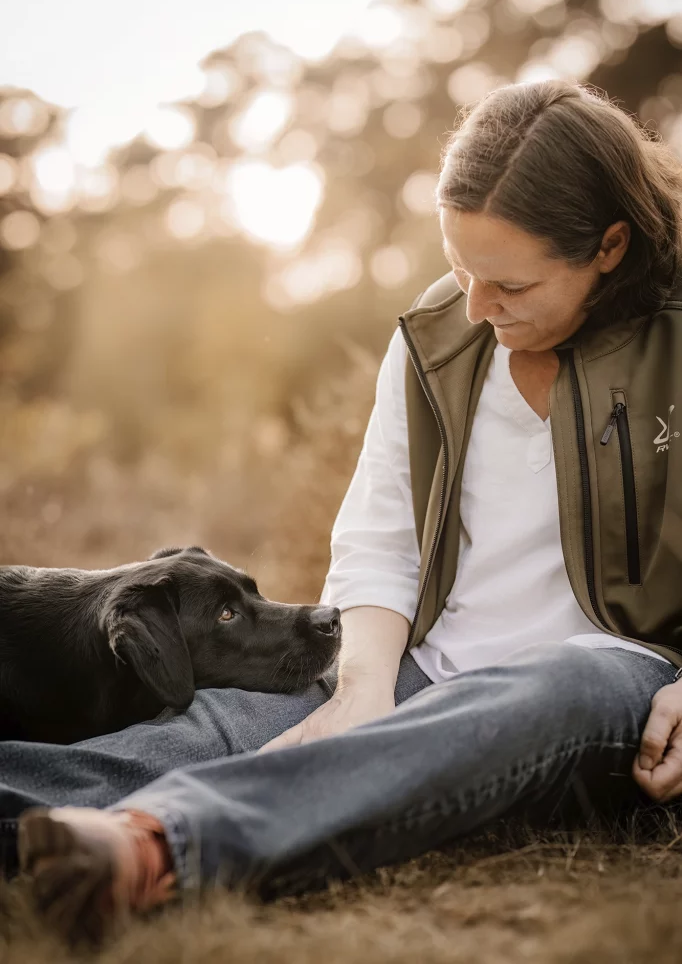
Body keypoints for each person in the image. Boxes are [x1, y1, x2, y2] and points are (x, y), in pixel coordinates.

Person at [7, 79, 682, 942]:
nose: (476, 307)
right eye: (461, 268)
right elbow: (381, 534)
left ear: (610, 247)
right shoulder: (436, 337)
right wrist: (362, 686)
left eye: (508, 284)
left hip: (610, 687)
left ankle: (159, 847)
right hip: (424, 663)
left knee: (565, 678)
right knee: (211, 727)